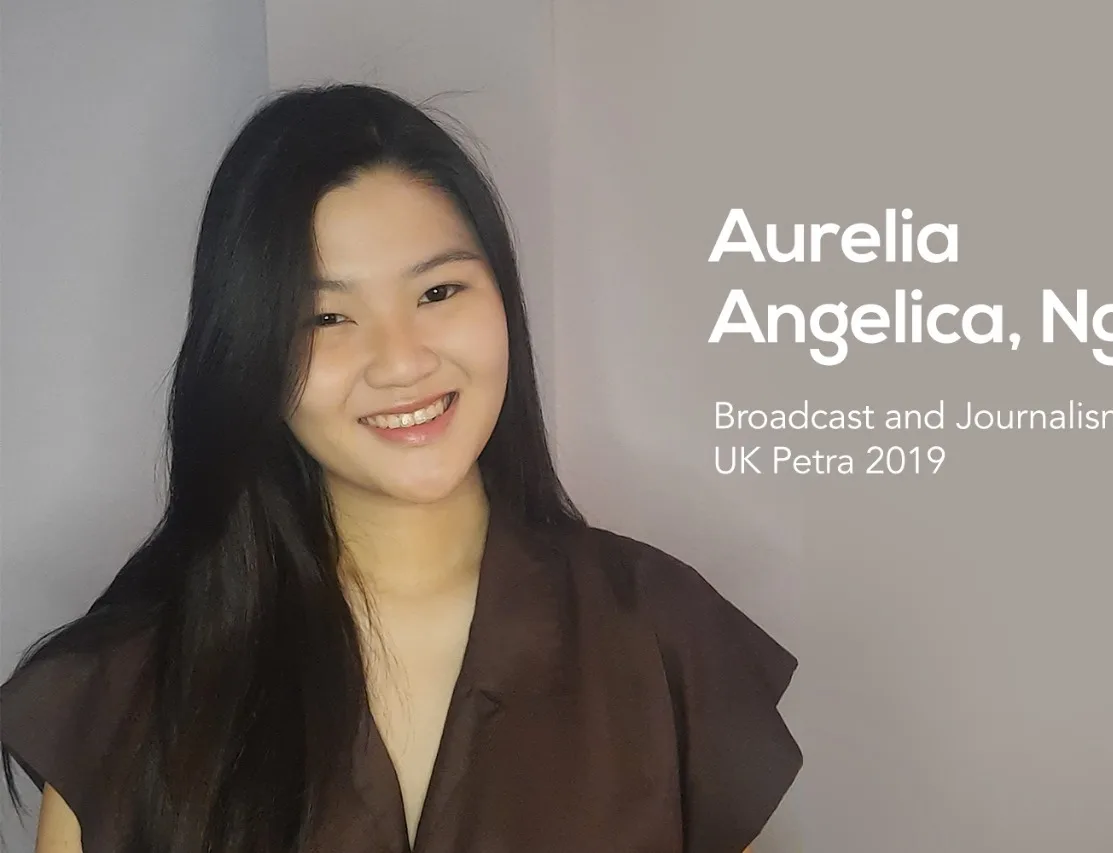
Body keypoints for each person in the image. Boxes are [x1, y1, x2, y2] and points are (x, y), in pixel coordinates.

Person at [0, 83, 802, 853]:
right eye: (326, 316)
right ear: (249, 355)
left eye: (438, 291)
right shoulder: (122, 687)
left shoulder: (662, 637)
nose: (401, 361)